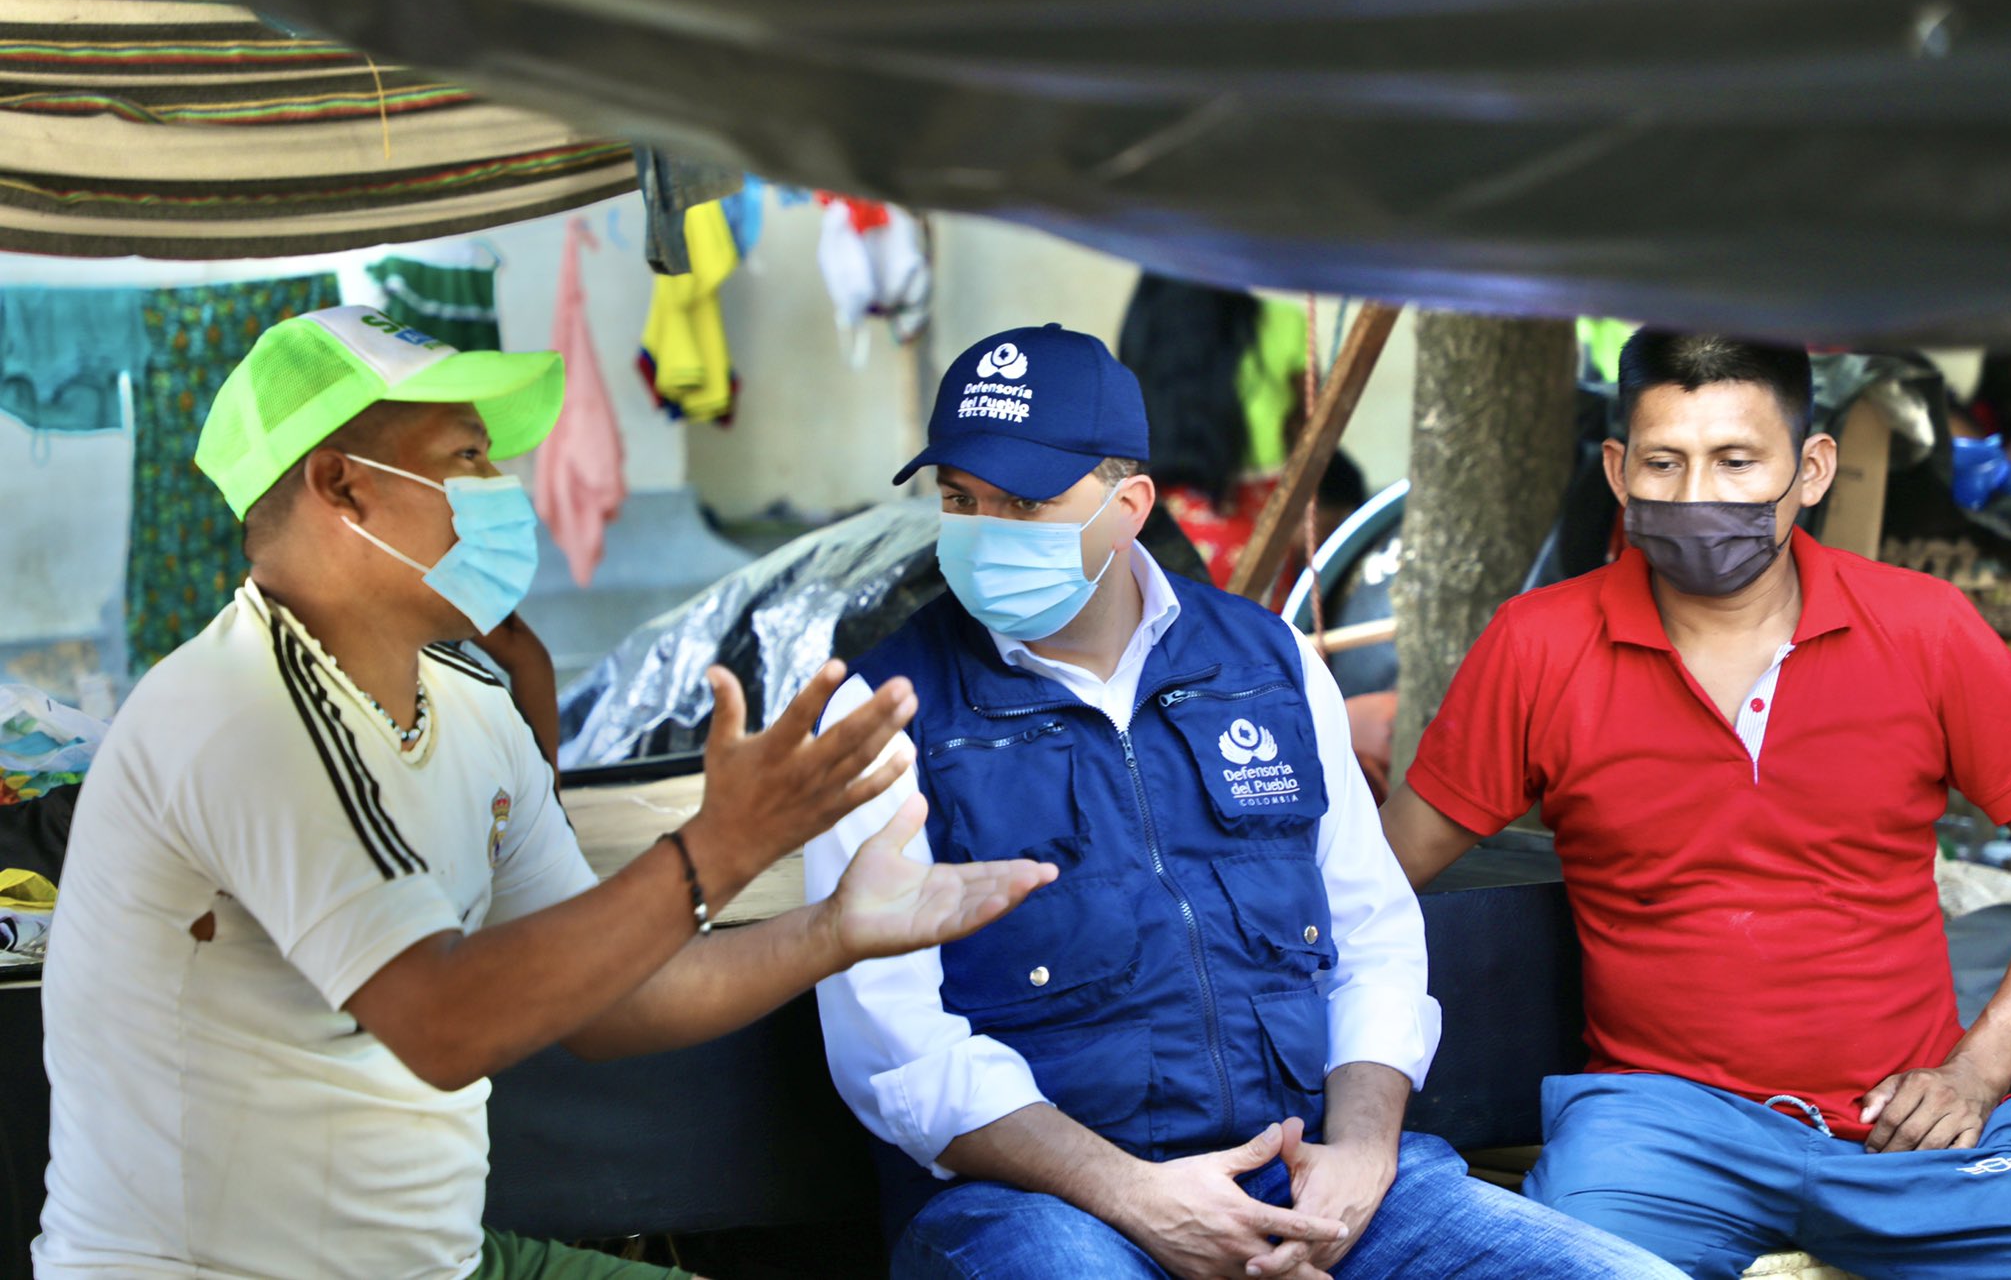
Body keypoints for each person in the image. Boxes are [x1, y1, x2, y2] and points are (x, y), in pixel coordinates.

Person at [33, 306, 1054, 1280]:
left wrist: (835, 929)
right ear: (342, 487)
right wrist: (716, 850)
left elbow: (607, 998)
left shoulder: (467, 697)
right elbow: (439, 1023)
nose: (500, 487)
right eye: (464, 459)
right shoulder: (239, 710)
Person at [803, 323, 1683, 1280]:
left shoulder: (1270, 666)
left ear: (1128, 503)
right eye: (961, 500)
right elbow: (896, 1053)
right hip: (1049, 1210)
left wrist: (1360, 1159)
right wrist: (1138, 1198)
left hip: (1316, 1183)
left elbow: (1374, 939)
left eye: (1024, 501)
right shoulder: (882, 714)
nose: (985, 533)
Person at [1382, 330, 2011, 1280]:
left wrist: (1979, 1073)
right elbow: (1375, 879)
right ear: (1618, 472)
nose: (1700, 494)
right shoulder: (1541, 644)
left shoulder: (1925, 627)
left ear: (1812, 469)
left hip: (1911, 1131)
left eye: (1738, 460)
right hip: (1659, 1131)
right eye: (1666, 461)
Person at [1115, 273, 1365, 594]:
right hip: (1263, 531)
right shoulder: (1283, 322)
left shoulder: (1143, 323)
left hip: (1151, 531)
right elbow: (1312, 434)